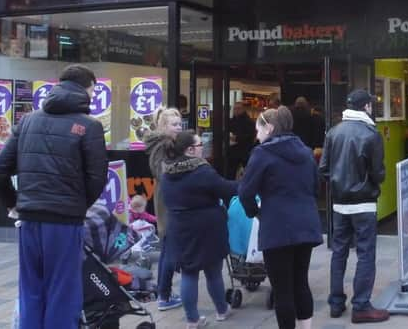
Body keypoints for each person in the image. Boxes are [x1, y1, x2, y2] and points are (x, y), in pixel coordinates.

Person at [0, 64, 108, 329]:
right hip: (65, 222)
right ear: (87, 88)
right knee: (63, 292)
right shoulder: (89, 126)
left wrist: (14, 203)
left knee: (31, 289)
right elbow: (97, 178)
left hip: (29, 218)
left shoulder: (28, 120)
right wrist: (77, 206)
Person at [239, 106, 323, 329]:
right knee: (300, 283)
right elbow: (316, 187)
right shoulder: (305, 151)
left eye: (258, 130)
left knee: (282, 290)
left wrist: (255, 213)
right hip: (306, 223)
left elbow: (245, 192)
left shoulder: (262, 154)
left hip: (276, 227)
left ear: (270, 127)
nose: (257, 136)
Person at [319, 89, 388, 324]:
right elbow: (378, 174)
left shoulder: (333, 132)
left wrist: (338, 186)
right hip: (364, 204)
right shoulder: (371, 134)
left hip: (339, 204)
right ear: (366, 106)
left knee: (338, 253)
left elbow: (324, 168)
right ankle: (361, 306)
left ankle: (336, 303)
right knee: (365, 254)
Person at [161, 130, 238, 329]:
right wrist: (247, 184)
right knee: (213, 271)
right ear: (190, 150)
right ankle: (222, 310)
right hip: (207, 226)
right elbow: (225, 188)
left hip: (180, 227)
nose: (203, 147)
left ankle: (192, 320)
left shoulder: (167, 172)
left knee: (188, 272)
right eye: (199, 145)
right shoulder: (201, 171)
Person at [143, 107, 183, 311]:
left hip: (166, 199)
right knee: (169, 248)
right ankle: (164, 296)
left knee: (168, 247)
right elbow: (164, 172)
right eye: (174, 125)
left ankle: (163, 292)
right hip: (168, 201)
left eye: (180, 124)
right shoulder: (165, 146)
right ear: (164, 126)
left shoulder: (165, 144)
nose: (179, 127)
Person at [228, 101, 256, 179]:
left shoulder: (249, 122)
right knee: (231, 173)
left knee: (248, 174)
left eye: (238, 108)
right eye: (235, 109)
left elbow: (250, 136)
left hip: (245, 151)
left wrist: (237, 138)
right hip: (233, 151)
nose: (236, 110)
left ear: (243, 109)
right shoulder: (231, 121)